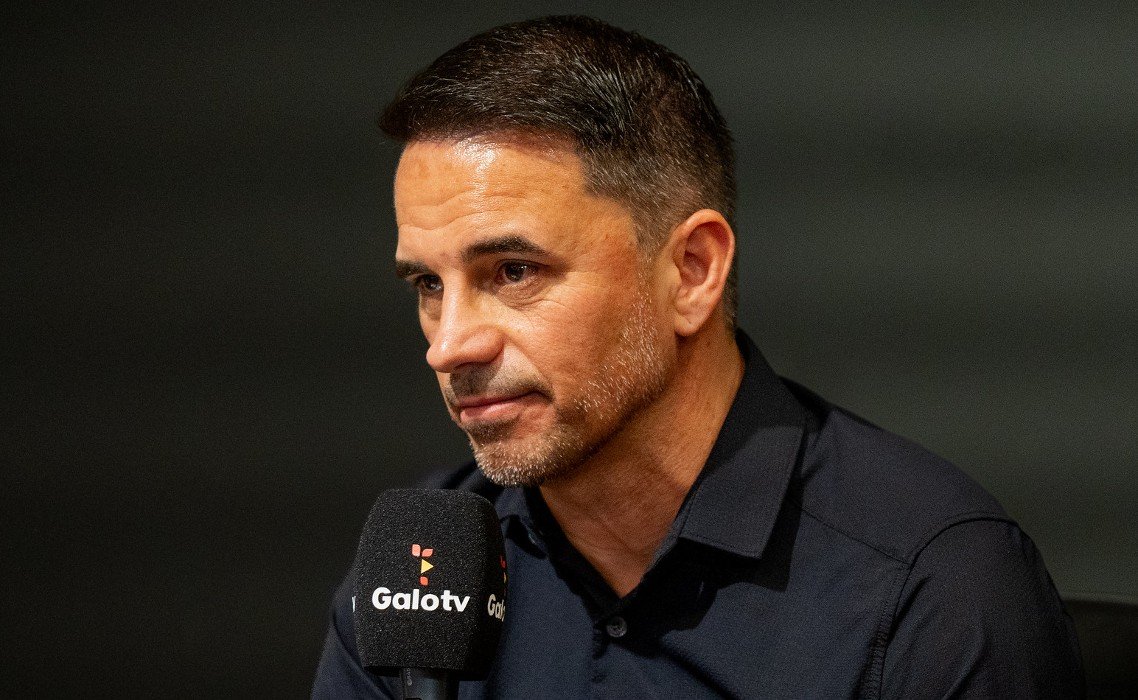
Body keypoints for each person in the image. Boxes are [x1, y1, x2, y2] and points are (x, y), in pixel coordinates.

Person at [313, 15, 1083, 698]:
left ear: (692, 272)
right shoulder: (421, 570)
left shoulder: (932, 592)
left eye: (514, 272)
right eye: (426, 283)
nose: (448, 344)